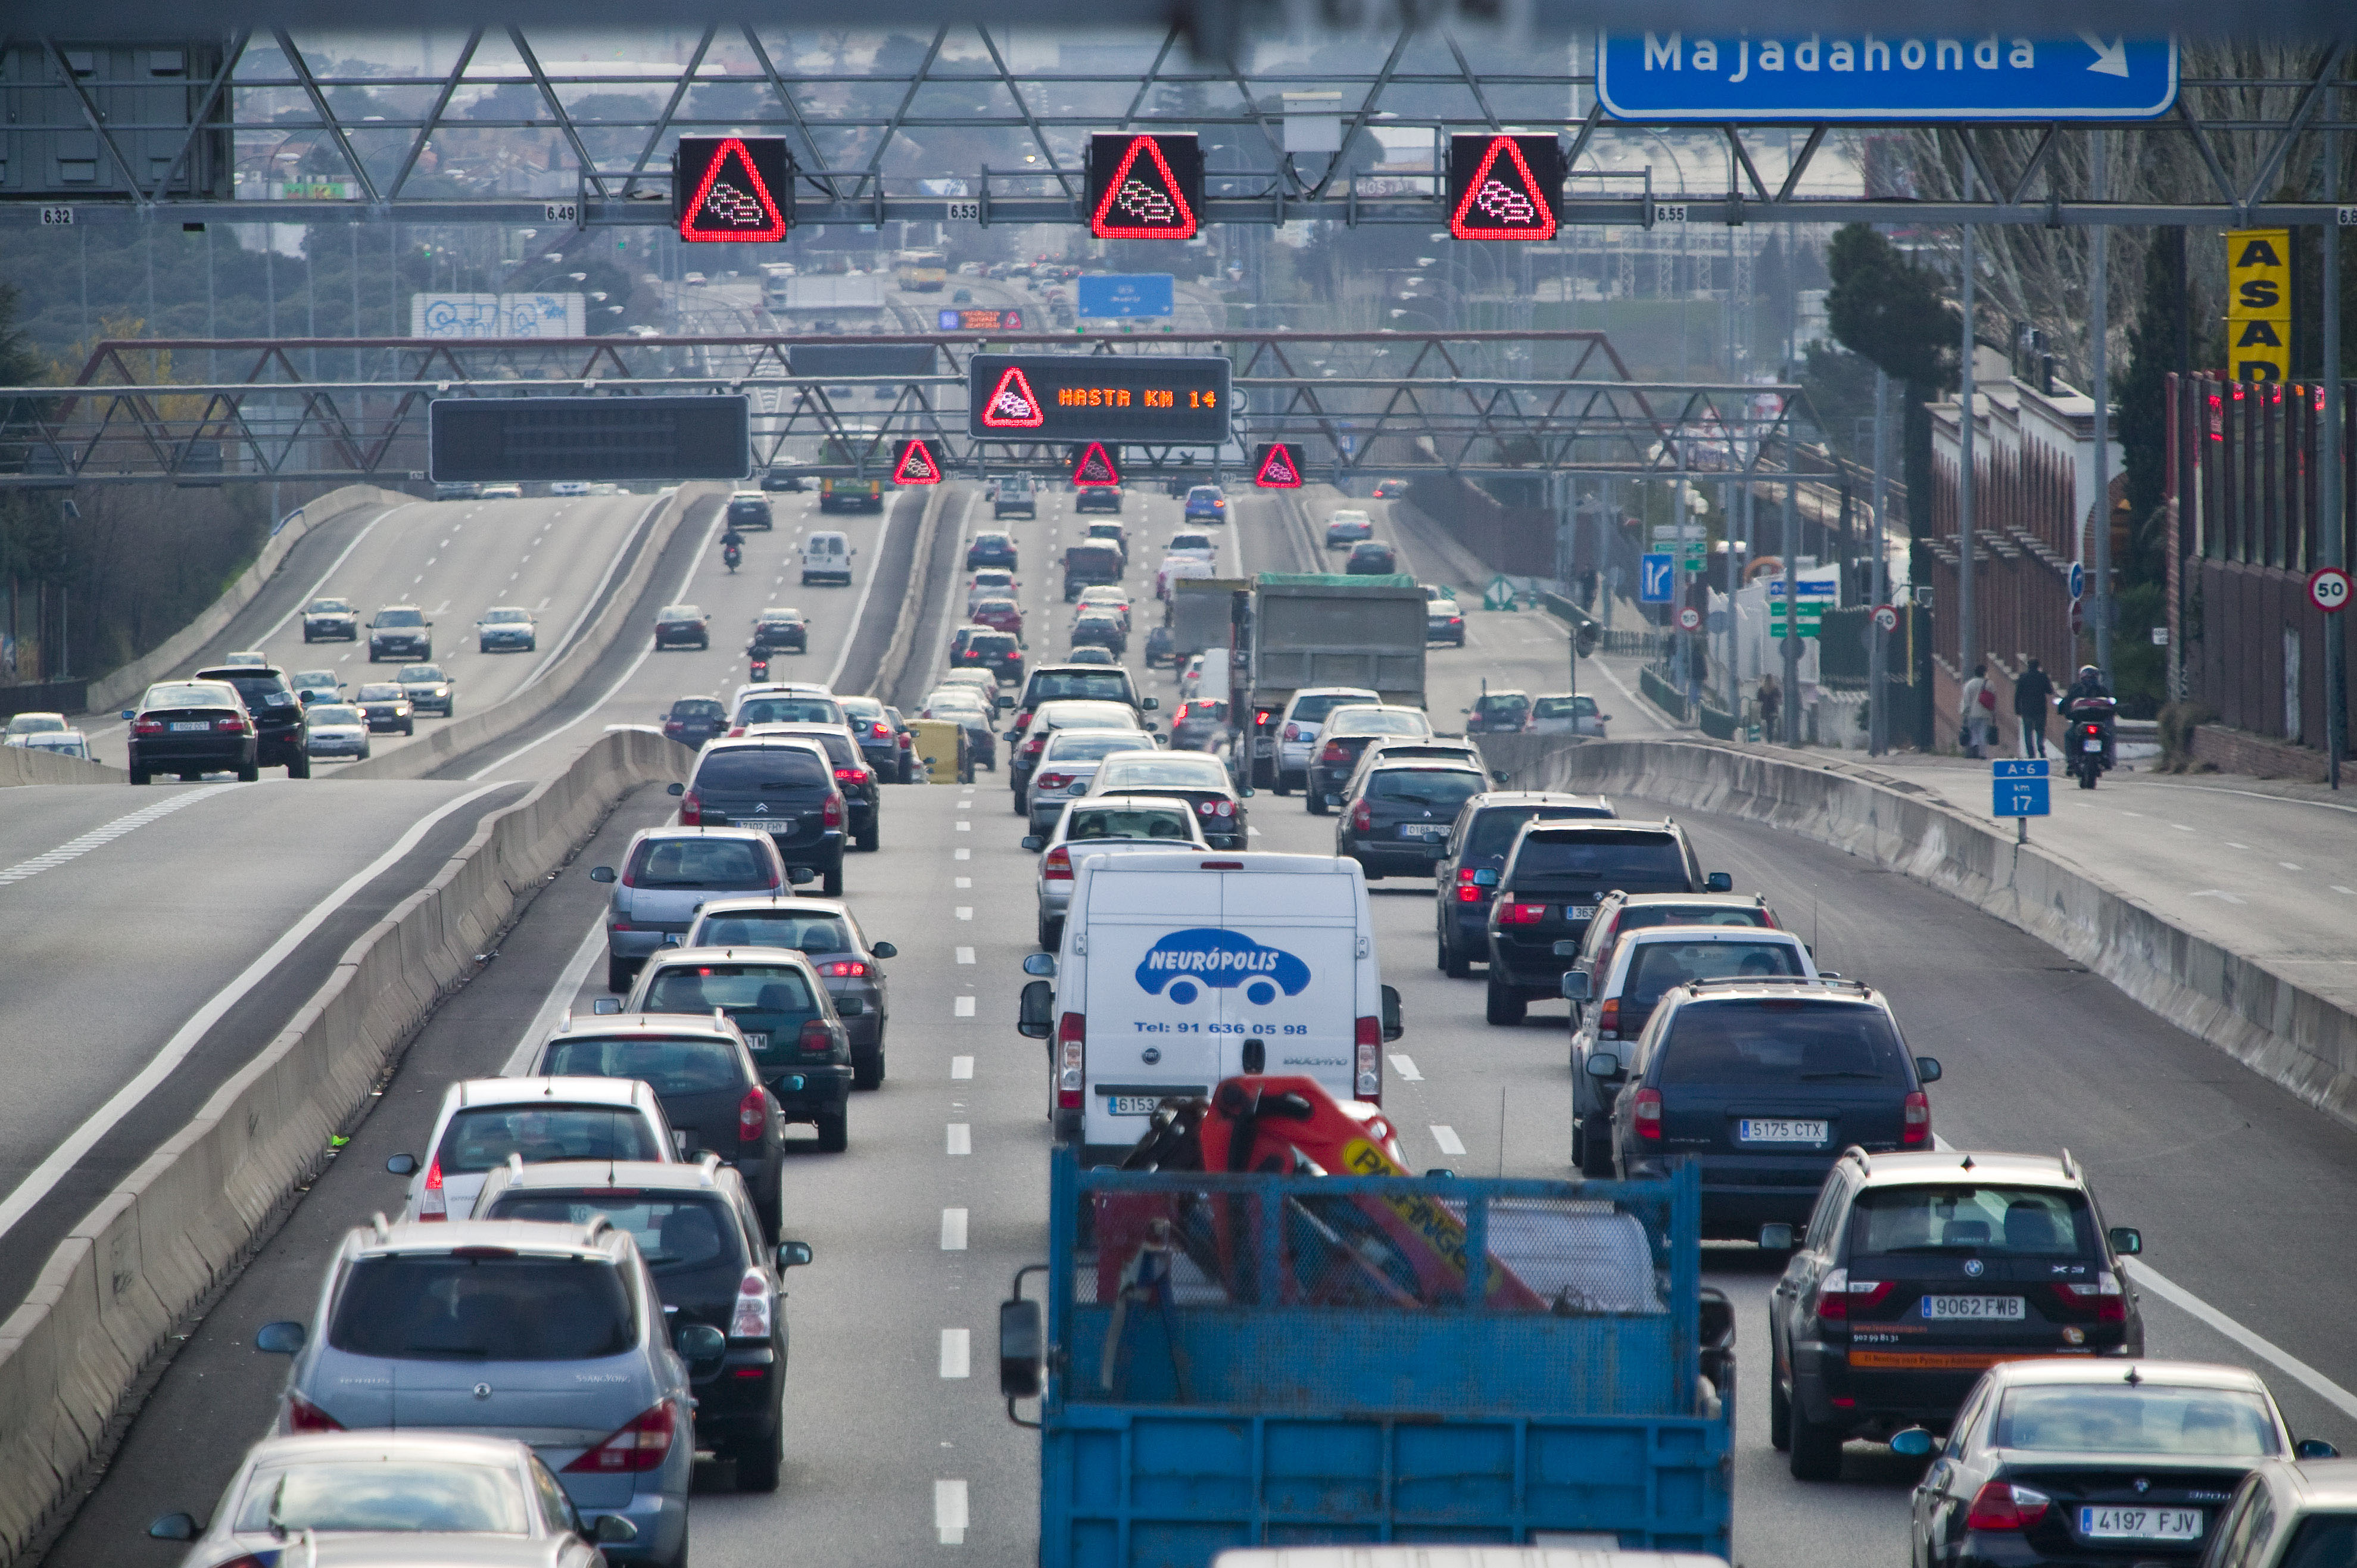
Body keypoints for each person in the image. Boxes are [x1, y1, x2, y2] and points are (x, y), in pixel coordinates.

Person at [2013, 657, 2056, 758]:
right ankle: (2041, 748)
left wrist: (2017, 709)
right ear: (2038, 666)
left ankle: (2031, 754)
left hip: (2026, 709)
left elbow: (2018, 695)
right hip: (2040, 708)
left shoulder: (2023, 677)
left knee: (2028, 732)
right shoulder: (2042, 676)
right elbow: (2050, 691)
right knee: (2040, 730)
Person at [1960, 663, 1994, 757]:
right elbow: (1993, 699)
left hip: (1972, 713)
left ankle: (1975, 747)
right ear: (1984, 673)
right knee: (1983, 732)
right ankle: (1983, 753)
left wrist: (1965, 712)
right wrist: (1993, 713)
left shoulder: (1969, 684)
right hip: (1985, 712)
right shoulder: (1989, 684)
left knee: (1974, 732)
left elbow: (1966, 700)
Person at [1756, 673, 1781, 738]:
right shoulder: (1775, 689)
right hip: (1773, 708)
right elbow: (1779, 697)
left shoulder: (1762, 689)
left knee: (1767, 724)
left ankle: (1768, 737)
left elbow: (1759, 699)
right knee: (1771, 724)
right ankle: (1771, 737)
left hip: (1765, 709)